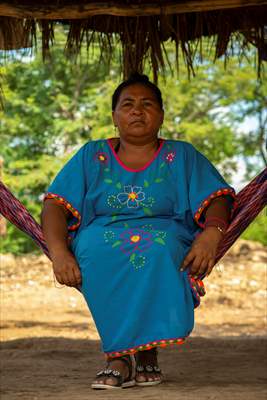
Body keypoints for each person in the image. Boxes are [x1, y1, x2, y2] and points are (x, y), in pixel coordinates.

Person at [41, 73, 236, 389]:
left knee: (156, 249)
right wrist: (59, 252)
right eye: (127, 104)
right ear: (114, 117)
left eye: (147, 104)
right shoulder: (92, 155)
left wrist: (212, 234)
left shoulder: (181, 155)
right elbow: (54, 205)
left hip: (167, 233)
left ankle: (143, 352)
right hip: (100, 232)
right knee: (94, 248)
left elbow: (217, 197)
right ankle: (119, 355)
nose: (137, 111)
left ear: (161, 115)